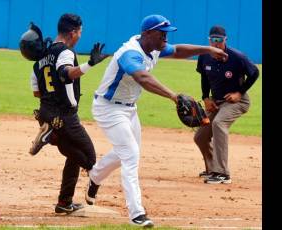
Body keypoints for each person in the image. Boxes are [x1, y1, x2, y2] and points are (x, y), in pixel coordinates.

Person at [84, 15, 228, 227]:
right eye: (162, 33)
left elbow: (178, 50)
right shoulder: (129, 53)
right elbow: (143, 78)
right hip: (109, 109)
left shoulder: (153, 47)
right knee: (130, 155)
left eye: (167, 33)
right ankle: (136, 213)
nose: (165, 37)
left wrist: (208, 50)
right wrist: (174, 96)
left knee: (125, 152)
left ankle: (94, 176)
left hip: (129, 109)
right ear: (147, 33)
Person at [27, 13, 108, 214]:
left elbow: (37, 91)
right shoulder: (66, 53)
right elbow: (65, 73)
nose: (80, 35)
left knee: (73, 156)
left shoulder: (39, 61)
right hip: (65, 116)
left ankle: (64, 202)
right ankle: (50, 134)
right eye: (80, 31)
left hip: (46, 114)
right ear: (72, 33)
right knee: (90, 159)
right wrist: (89, 64)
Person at [194, 25, 259, 184]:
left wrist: (240, 92)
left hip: (237, 102)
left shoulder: (237, 57)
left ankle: (222, 173)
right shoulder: (204, 56)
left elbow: (255, 73)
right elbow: (204, 77)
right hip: (216, 102)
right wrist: (205, 98)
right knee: (200, 136)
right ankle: (211, 168)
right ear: (209, 40)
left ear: (225, 40)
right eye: (213, 40)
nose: (216, 43)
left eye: (219, 40)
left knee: (219, 123)